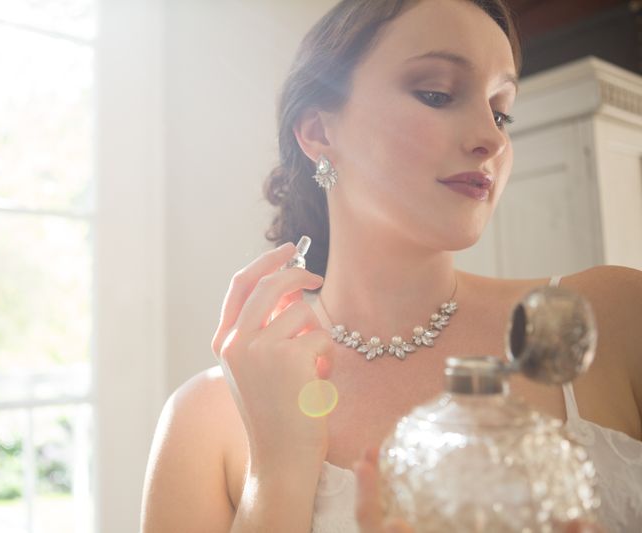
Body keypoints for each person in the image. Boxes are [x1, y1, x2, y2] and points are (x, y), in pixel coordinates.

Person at [140, 0, 642, 531]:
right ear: (318, 131)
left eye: (500, 111)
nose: (492, 139)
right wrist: (278, 470)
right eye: (437, 94)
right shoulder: (203, 421)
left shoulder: (615, 319)